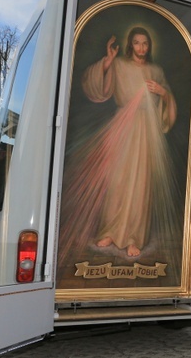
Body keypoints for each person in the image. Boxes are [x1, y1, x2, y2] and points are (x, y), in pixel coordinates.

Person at [59, 27, 178, 261]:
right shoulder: (120, 65)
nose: (141, 48)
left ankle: (134, 237)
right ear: (130, 45)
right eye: (136, 43)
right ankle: (110, 232)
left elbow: (168, 103)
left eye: (145, 43)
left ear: (149, 46)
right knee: (117, 179)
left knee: (140, 183)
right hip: (122, 126)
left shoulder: (156, 70)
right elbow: (96, 87)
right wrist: (107, 62)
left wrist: (163, 92)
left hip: (146, 130)